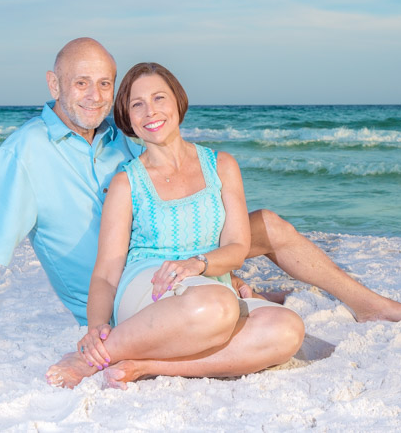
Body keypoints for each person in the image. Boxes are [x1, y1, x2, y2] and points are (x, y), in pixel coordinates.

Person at [0, 38, 401, 366]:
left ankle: (369, 306)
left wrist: (216, 260)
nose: (95, 96)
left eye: (104, 84)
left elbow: (173, 186)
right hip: (120, 292)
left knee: (266, 225)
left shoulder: (117, 134)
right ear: (54, 85)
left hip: (172, 261)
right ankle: (220, 306)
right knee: (233, 302)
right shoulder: (24, 153)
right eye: (80, 83)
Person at [46, 63, 304, 388]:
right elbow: (106, 272)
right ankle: (93, 357)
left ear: (178, 101)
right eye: (136, 104)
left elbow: (237, 249)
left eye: (159, 98)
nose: (150, 111)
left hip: (208, 282)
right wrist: (96, 328)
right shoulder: (127, 182)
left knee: (287, 329)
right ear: (128, 118)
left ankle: (144, 366)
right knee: (218, 306)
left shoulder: (222, 166)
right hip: (150, 289)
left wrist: (198, 264)